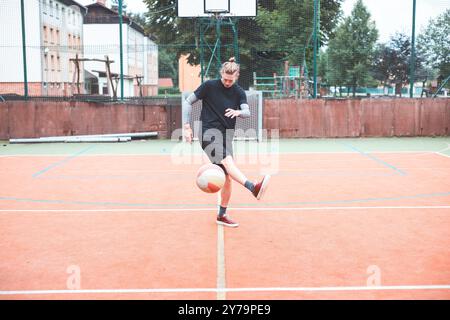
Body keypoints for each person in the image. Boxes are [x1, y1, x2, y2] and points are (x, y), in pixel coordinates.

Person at [183, 57, 270, 228]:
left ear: (236, 76)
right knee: (227, 162)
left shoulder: (238, 92)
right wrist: (187, 126)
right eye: (225, 79)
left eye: (231, 80)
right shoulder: (209, 86)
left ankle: (222, 215)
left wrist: (238, 112)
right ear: (221, 74)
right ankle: (253, 187)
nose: (228, 82)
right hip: (208, 132)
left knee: (227, 177)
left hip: (226, 135)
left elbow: (247, 112)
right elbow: (188, 102)